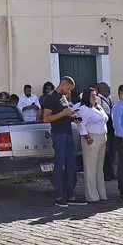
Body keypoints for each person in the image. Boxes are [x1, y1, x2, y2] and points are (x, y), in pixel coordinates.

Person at [42, 77, 83, 207]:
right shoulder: (51, 98)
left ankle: (70, 195)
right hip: (58, 134)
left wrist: (72, 118)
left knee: (71, 165)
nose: (69, 91)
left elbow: (63, 114)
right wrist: (63, 114)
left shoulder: (63, 97)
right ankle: (59, 196)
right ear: (63, 84)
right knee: (59, 166)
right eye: (69, 88)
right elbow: (46, 118)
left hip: (68, 133)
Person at [75, 87, 109, 203]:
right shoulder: (83, 109)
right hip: (91, 139)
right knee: (90, 167)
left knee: (99, 168)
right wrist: (86, 136)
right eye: (92, 96)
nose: (95, 98)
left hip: (102, 137)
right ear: (86, 97)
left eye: (95, 95)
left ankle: (101, 193)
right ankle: (92, 195)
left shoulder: (98, 108)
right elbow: (80, 123)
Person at [95, 82, 116, 181]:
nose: (108, 90)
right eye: (105, 88)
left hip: (112, 125)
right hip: (105, 124)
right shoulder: (98, 99)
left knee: (112, 150)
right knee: (106, 151)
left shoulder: (108, 99)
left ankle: (111, 171)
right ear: (100, 89)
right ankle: (105, 172)